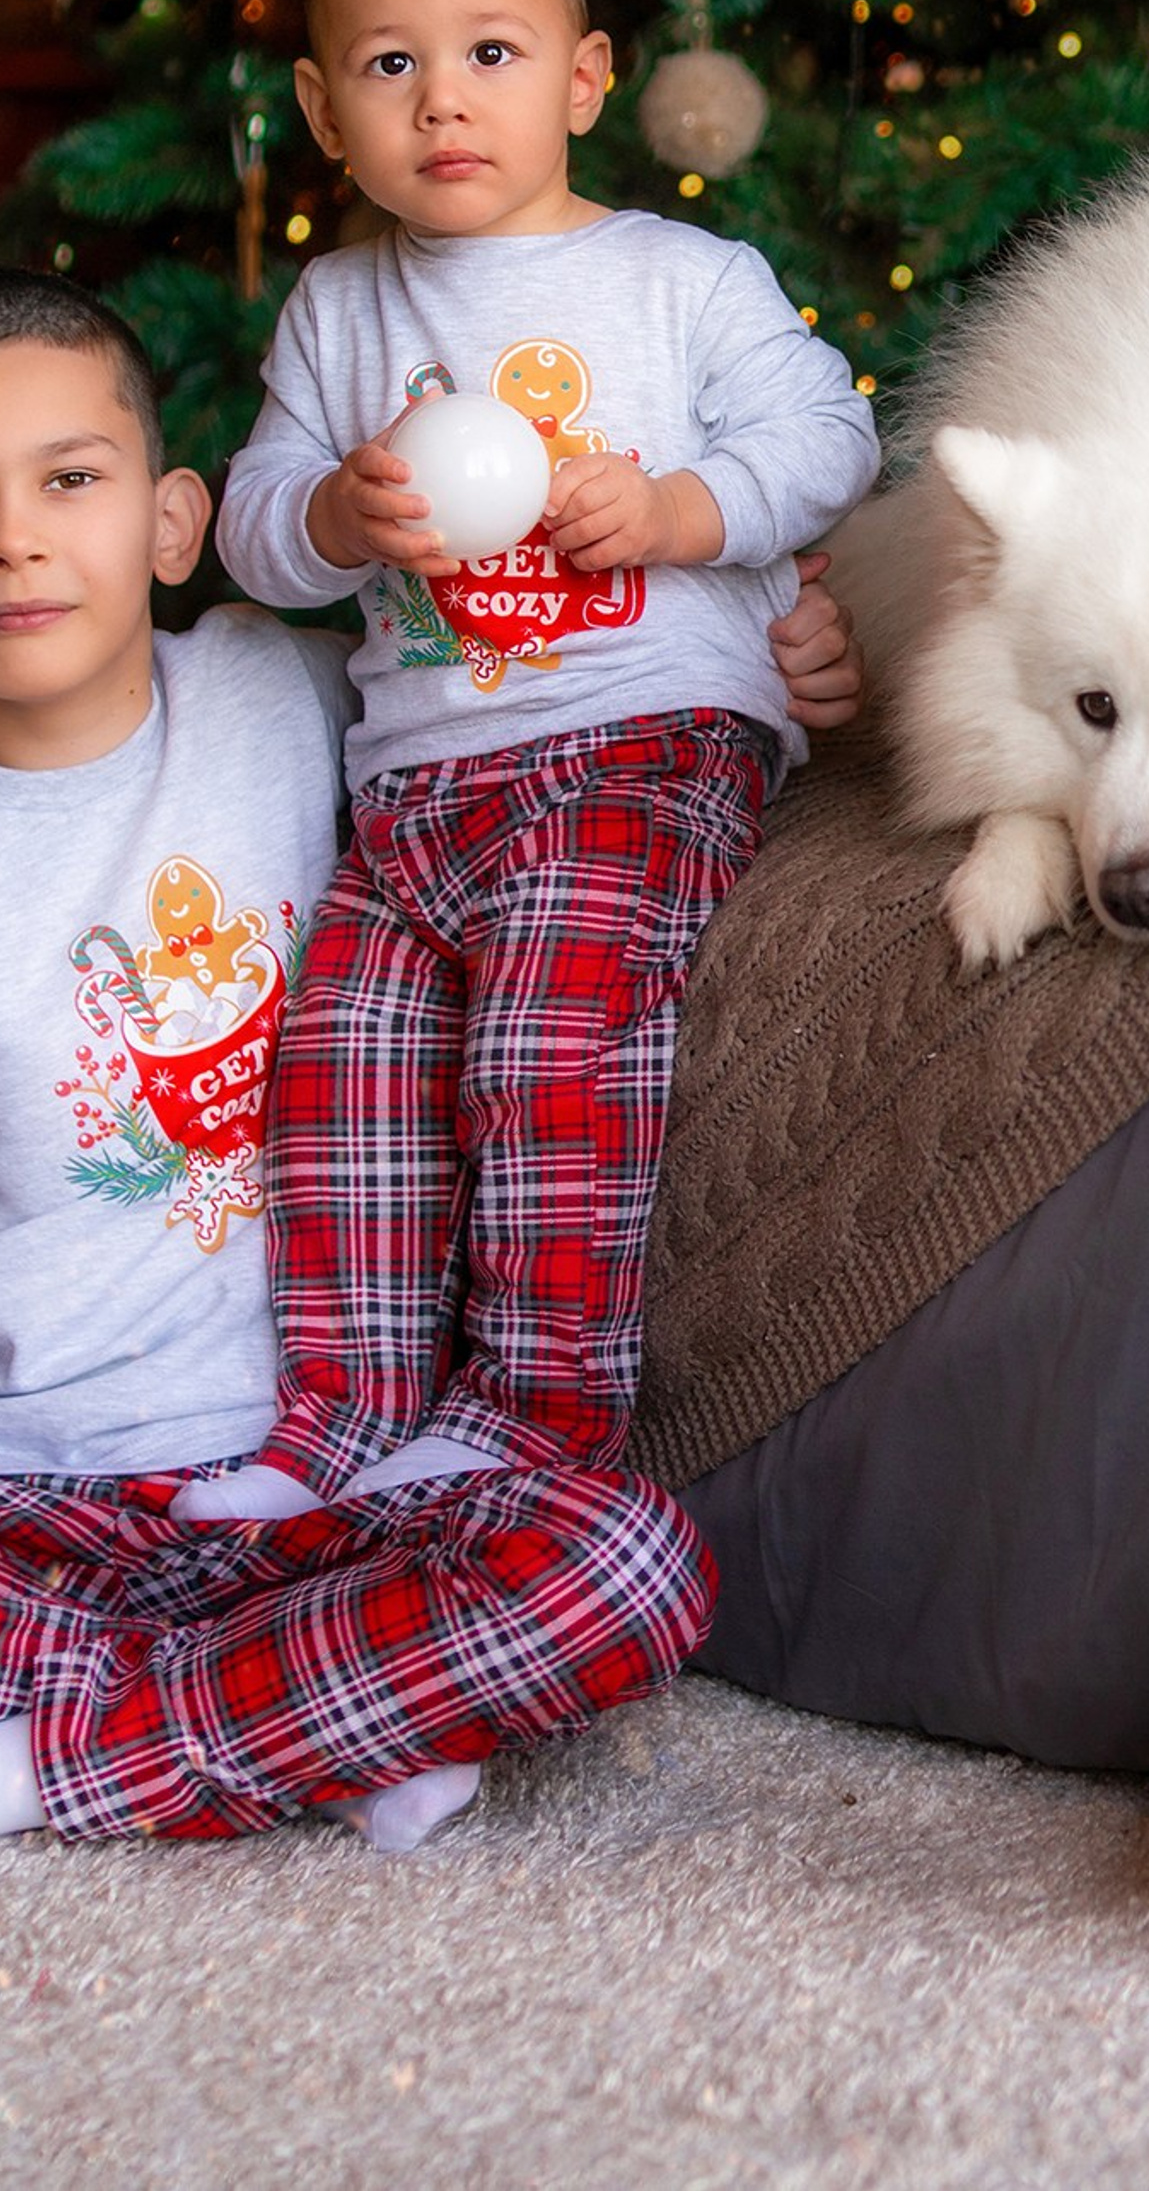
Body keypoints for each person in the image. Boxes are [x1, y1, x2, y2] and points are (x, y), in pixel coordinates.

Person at [0, 271, 850, 1847]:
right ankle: (317, 1712)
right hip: (47, 1500)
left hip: (348, 1478)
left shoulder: (281, 690)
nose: (19, 537)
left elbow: (555, 706)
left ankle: (76, 1751)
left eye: (68, 480)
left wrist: (777, 647)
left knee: (627, 1568)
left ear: (175, 523)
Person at [183, 0, 878, 1527]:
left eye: (489, 54)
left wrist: (673, 508)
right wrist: (340, 510)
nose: (443, 102)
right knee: (342, 1050)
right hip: (419, 784)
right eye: (390, 63)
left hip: (640, 743)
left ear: (579, 81)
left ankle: (535, 1416)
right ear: (323, 106)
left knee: (553, 1026)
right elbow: (259, 532)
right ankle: (344, 1417)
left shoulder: (678, 279)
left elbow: (828, 437)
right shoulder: (337, 311)